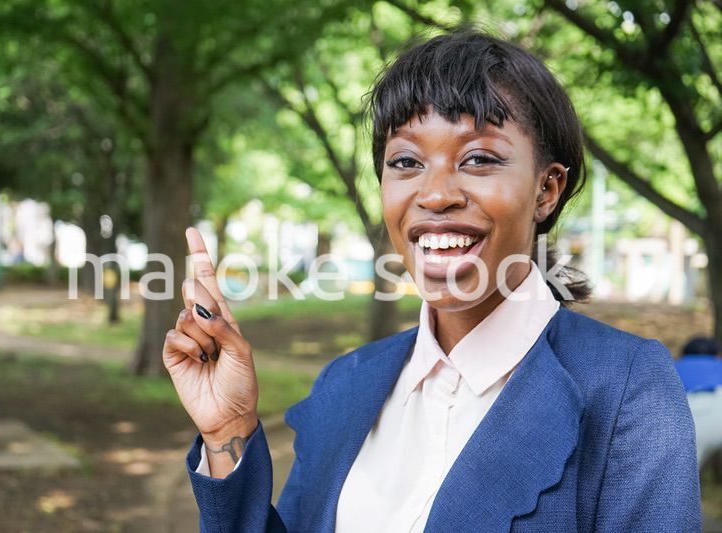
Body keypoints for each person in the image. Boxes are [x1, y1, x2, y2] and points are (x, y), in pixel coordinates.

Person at [162, 30, 700, 532]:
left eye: (480, 158)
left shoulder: (627, 388)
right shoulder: (345, 383)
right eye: (405, 161)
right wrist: (228, 430)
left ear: (547, 190)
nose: (436, 194)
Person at [675, 336, 722, 468]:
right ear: (718, 356)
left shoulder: (673, 365)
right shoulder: (719, 365)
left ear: (683, 355)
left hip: (686, 412)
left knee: (684, 471)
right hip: (719, 404)